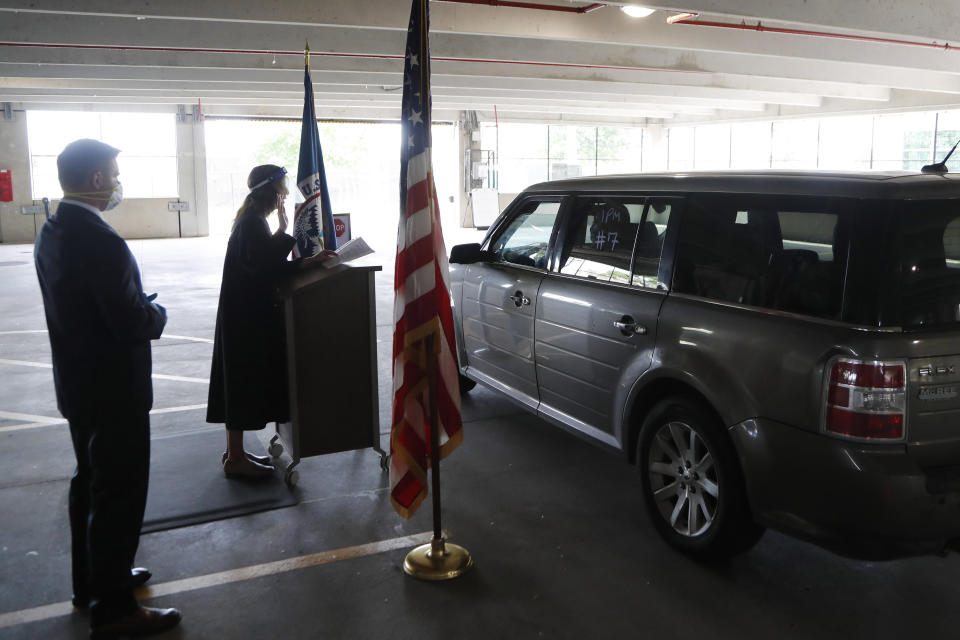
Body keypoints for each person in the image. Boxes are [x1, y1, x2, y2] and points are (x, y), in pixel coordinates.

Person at [34, 139, 181, 638]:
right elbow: (128, 320)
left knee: (88, 485)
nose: (118, 182)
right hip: (114, 389)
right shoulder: (100, 240)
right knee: (117, 493)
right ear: (97, 180)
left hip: (78, 385)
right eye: (114, 174)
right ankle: (115, 609)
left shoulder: (53, 230)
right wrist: (155, 312)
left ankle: (95, 581)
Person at [206, 164, 332, 478]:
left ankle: (234, 452)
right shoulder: (251, 224)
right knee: (241, 385)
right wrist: (292, 240)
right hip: (245, 319)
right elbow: (267, 269)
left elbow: (262, 259)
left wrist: (284, 236)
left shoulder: (252, 222)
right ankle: (235, 459)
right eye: (283, 188)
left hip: (242, 315)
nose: (287, 193)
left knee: (239, 383)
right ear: (272, 192)